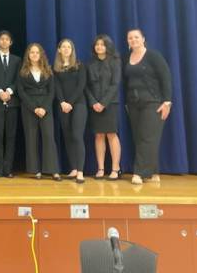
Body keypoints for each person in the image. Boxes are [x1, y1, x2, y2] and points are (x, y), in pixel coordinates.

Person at [124, 29, 172, 185]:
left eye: (136, 37)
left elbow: (165, 78)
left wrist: (167, 102)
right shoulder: (126, 58)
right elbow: (125, 83)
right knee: (140, 138)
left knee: (148, 138)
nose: (133, 40)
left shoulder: (153, 56)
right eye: (130, 38)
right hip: (133, 104)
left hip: (153, 103)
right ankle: (153, 172)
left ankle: (139, 173)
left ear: (143, 39)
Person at [17, 43, 61, 181]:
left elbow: (51, 91)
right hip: (29, 107)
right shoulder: (22, 71)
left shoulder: (48, 70)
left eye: (37, 52)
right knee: (31, 138)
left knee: (48, 137)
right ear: (28, 55)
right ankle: (35, 170)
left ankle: (53, 170)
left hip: (45, 107)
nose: (34, 55)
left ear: (41, 54)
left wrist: (44, 107)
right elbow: (21, 91)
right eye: (32, 52)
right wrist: (34, 108)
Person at [85, 34, 122, 181]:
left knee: (111, 134)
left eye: (102, 44)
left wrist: (103, 103)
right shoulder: (90, 63)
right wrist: (94, 102)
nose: (99, 47)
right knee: (99, 135)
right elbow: (86, 86)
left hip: (110, 104)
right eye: (97, 44)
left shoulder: (115, 61)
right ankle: (100, 168)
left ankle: (115, 168)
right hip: (94, 105)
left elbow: (115, 84)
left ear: (107, 46)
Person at [53, 39, 87, 184]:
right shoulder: (55, 68)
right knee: (67, 136)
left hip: (78, 104)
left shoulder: (79, 66)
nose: (66, 49)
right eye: (63, 47)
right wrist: (62, 102)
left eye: (69, 47)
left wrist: (70, 103)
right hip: (63, 106)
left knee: (77, 136)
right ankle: (73, 167)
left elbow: (81, 86)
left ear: (72, 50)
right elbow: (57, 88)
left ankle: (80, 171)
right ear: (59, 50)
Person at [0, 31, 21, 178]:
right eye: (1, 39)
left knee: (10, 136)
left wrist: (9, 92)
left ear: (11, 42)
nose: (4, 41)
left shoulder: (17, 60)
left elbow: (18, 80)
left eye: (7, 39)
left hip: (12, 103)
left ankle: (8, 169)